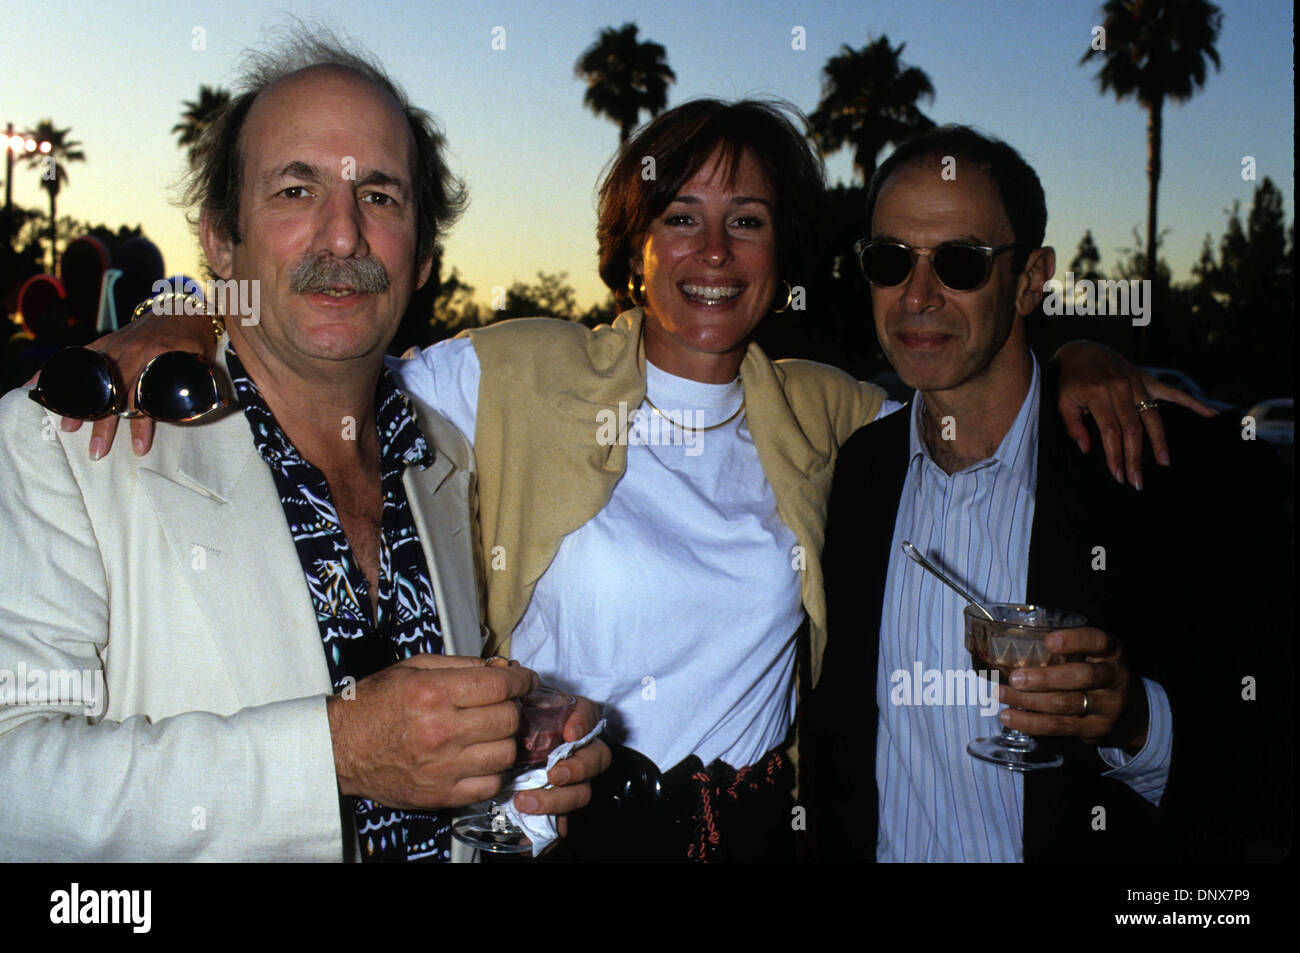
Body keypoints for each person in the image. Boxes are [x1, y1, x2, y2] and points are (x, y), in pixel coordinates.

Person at [62, 100, 1199, 862]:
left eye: (746, 222)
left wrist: (1087, 362)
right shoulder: (514, 370)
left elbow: (970, 384)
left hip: (761, 843)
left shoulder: (828, 410)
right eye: (681, 219)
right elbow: (322, 353)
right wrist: (198, 306)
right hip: (560, 845)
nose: (713, 252)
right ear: (634, 240)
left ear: (781, 252)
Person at [0, 35, 608, 862]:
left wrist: (513, 751)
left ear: (424, 255)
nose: (345, 236)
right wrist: (336, 754)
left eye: (381, 197)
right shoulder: (65, 442)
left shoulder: (445, 461)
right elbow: (15, 783)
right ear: (220, 239)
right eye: (297, 189)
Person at [803, 125, 1291, 862]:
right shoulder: (852, 475)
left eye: (961, 262)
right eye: (889, 259)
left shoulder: (1160, 472)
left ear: (1032, 278)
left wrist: (1134, 722)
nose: (918, 295)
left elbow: (1266, 764)